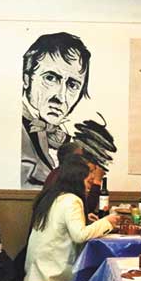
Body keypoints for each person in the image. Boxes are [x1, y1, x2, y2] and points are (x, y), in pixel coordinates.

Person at [24, 155, 120, 281]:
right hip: (53, 274)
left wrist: (85, 219)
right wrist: (107, 222)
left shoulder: (54, 196)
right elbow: (80, 235)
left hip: (38, 270)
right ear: (77, 180)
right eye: (88, 181)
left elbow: (60, 222)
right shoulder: (72, 200)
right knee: (98, 278)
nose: (90, 186)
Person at [21, 32, 91, 188]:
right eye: (50, 78)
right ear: (26, 80)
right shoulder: (16, 131)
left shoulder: (64, 139)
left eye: (72, 85)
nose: (61, 97)